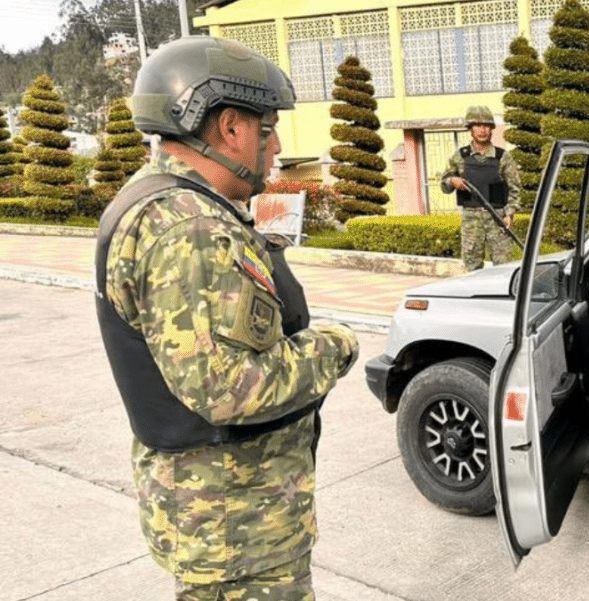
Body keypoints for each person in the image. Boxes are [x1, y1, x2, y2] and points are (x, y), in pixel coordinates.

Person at [94, 36, 360, 601]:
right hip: (237, 525)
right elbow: (229, 388)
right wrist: (333, 346)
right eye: (267, 128)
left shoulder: (159, 200)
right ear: (231, 128)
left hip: (227, 515)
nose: (276, 144)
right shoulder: (189, 230)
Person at [440, 105, 521, 271]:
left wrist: (510, 213)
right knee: (472, 267)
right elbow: (444, 184)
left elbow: (515, 189)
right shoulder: (460, 157)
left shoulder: (502, 157)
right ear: (470, 129)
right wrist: (452, 181)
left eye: (486, 126)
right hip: (471, 221)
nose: (482, 130)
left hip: (497, 219)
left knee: (504, 266)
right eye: (477, 126)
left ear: (491, 129)